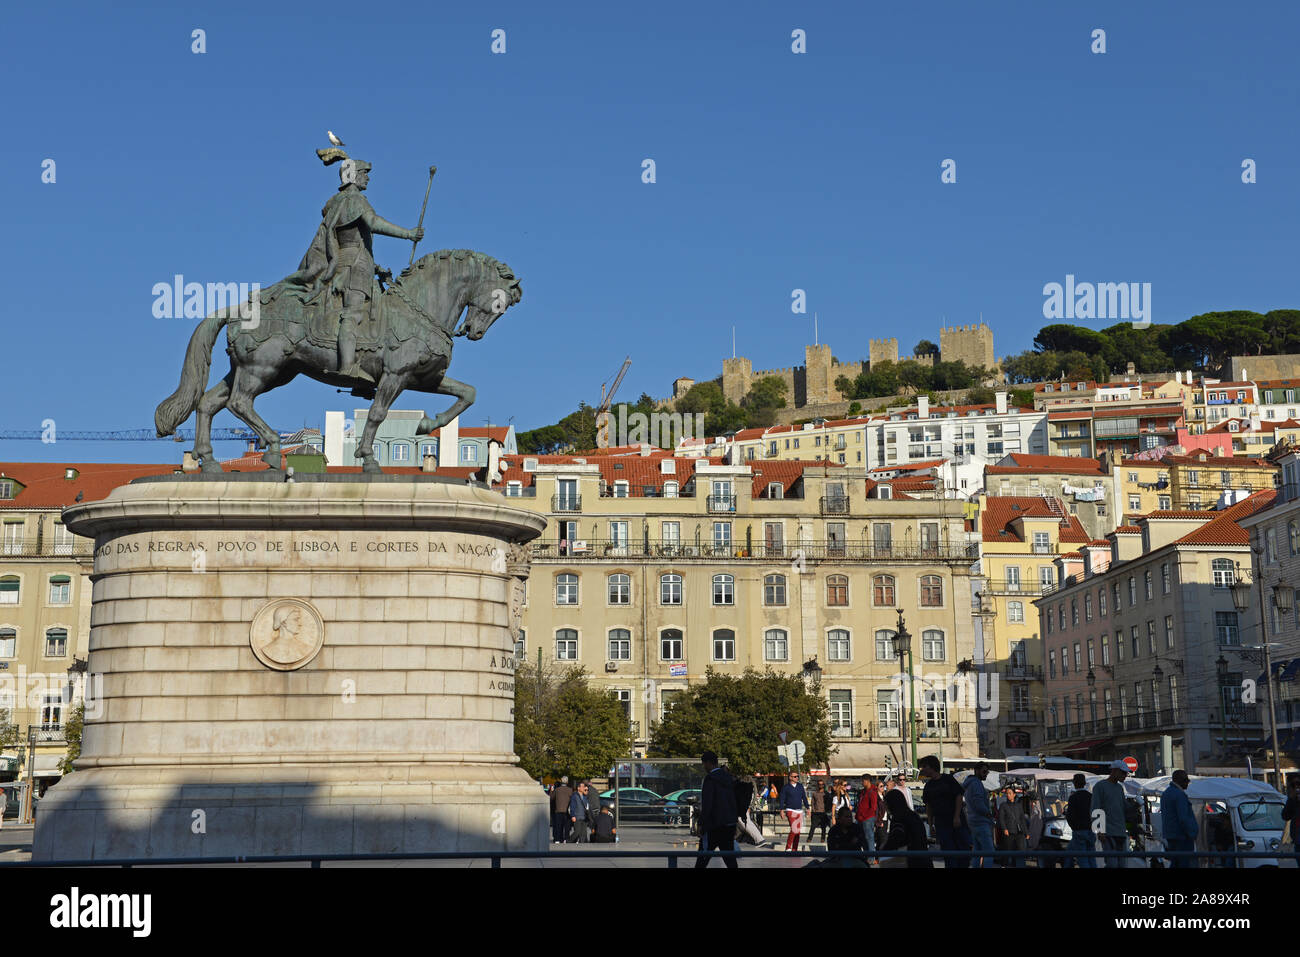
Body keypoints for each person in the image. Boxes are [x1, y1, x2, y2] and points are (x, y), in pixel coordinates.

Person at [281, 151, 425, 386]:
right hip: (353, 268)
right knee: (354, 313)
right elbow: (373, 223)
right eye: (364, 173)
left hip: (358, 263)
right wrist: (408, 234)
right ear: (353, 176)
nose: (368, 178)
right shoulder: (354, 200)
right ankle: (347, 365)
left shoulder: (338, 202)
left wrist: (376, 268)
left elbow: (354, 241)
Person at [918, 755, 971, 868]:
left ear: (932, 767)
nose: (922, 769)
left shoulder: (948, 779)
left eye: (924, 766)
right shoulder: (928, 786)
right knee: (948, 853)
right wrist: (931, 824)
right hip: (942, 823)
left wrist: (956, 816)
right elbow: (929, 806)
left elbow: (958, 796)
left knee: (963, 850)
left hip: (956, 821)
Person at [696, 750, 739, 868]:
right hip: (728, 824)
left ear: (709, 763)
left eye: (704, 764)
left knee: (702, 858)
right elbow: (733, 801)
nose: (704, 767)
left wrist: (700, 823)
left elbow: (707, 804)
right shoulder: (729, 778)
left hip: (713, 826)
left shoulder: (710, 779)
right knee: (730, 860)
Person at [1091, 760, 1130, 867]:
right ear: (1115, 771)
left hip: (1120, 832)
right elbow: (1095, 809)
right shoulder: (1100, 786)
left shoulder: (1119, 788)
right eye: (1123, 773)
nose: (1125, 775)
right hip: (1108, 833)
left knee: (1121, 865)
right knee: (1112, 864)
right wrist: (1099, 830)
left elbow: (1124, 807)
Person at [881, 787, 931, 867]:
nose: (885, 807)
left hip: (911, 860)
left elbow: (896, 838)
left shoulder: (898, 818)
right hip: (923, 858)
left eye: (886, 804)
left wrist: (884, 850)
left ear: (891, 804)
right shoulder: (913, 815)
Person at [1161, 770, 1198, 869]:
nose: (1187, 783)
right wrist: (1192, 833)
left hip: (1171, 835)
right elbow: (1183, 818)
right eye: (1185, 780)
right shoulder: (1179, 795)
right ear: (1179, 780)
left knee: (1175, 862)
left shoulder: (1166, 793)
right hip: (1182, 836)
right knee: (1184, 863)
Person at [963, 763, 995, 868]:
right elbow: (978, 803)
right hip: (981, 821)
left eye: (987, 772)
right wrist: (988, 813)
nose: (986, 774)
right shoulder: (976, 784)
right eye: (984, 771)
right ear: (976, 771)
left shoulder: (970, 784)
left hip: (973, 820)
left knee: (977, 850)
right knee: (989, 851)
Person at [1065, 773, 1095, 868]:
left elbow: (1070, 816)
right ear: (1084, 783)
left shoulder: (1073, 798)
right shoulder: (1091, 796)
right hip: (1091, 830)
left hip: (1079, 831)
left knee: (1082, 859)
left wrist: (1074, 827)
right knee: (1091, 857)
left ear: (1074, 783)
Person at [997, 786, 1029, 867]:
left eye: (1010, 793)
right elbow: (1001, 818)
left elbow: (1022, 819)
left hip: (1019, 832)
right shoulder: (1003, 805)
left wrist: (1026, 832)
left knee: (1020, 851)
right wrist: (1004, 829)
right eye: (1007, 793)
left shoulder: (1019, 805)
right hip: (1009, 832)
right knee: (1006, 852)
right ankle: (1003, 866)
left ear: (1014, 794)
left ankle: (1018, 865)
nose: (1008, 795)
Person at [781, 771, 809, 851]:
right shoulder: (786, 787)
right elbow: (782, 799)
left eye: (797, 776)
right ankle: (788, 847)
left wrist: (807, 808)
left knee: (798, 832)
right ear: (790, 777)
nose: (797, 778)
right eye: (795, 776)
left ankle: (794, 849)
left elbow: (804, 797)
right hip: (790, 810)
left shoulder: (800, 786)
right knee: (794, 829)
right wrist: (781, 810)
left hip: (799, 811)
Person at [856, 773, 880, 861]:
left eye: (863, 781)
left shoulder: (872, 791)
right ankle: (867, 856)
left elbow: (873, 807)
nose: (862, 783)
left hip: (867, 818)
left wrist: (864, 816)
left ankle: (871, 858)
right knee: (863, 838)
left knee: (869, 838)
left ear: (867, 781)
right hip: (862, 818)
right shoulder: (864, 791)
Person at [1283, 773, 1300, 867]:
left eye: (1298, 784)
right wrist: (1292, 799)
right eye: (1293, 785)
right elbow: (1285, 816)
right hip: (1297, 840)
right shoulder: (1293, 800)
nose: (1296, 788)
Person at [551, 776, 573, 844]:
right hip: (567, 811)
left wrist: (551, 791)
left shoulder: (557, 790)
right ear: (567, 782)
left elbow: (551, 798)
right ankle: (566, 839)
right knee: (566, 826)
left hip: (558, 810)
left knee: (558, 826)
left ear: (561, 781)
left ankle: (557, 839)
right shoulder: (570, 790)